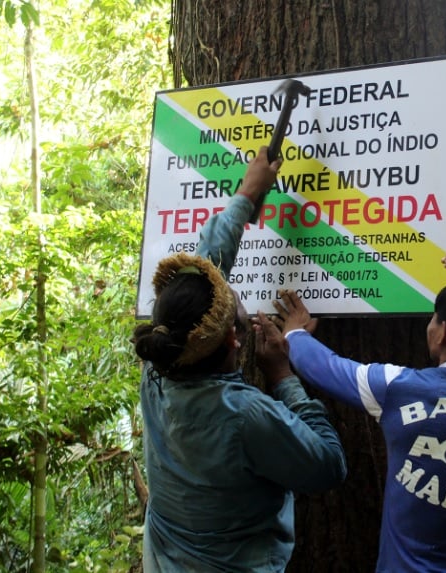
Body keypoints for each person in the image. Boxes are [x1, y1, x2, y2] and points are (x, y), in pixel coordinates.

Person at [258, 249, 446, 572]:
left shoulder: (398, 390)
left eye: (433, 319)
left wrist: (293, 333)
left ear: (442, 333)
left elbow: (326, 367)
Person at [132, 147, 347, 572]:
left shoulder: (158, 365)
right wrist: (284, 375)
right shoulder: (245, 416)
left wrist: (248, 195)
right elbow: (328, 465)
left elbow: (205, 276)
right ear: (234, 339)